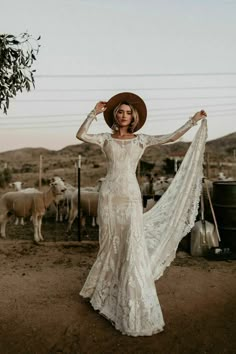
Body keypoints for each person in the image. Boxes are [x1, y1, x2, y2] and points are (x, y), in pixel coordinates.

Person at [76, 92, 208, 336]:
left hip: (130, 198)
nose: (124, 115)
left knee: (131, 246)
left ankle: (130, 300)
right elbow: (81, 135)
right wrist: (92, 113)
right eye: (120, 112)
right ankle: (105, 293)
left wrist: (192, 121)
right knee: (108, 245)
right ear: (114, 116)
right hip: (108, 197)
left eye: (128, 112)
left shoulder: (141, 140)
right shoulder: (105, 138)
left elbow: (171, 138)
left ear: (133, 117)